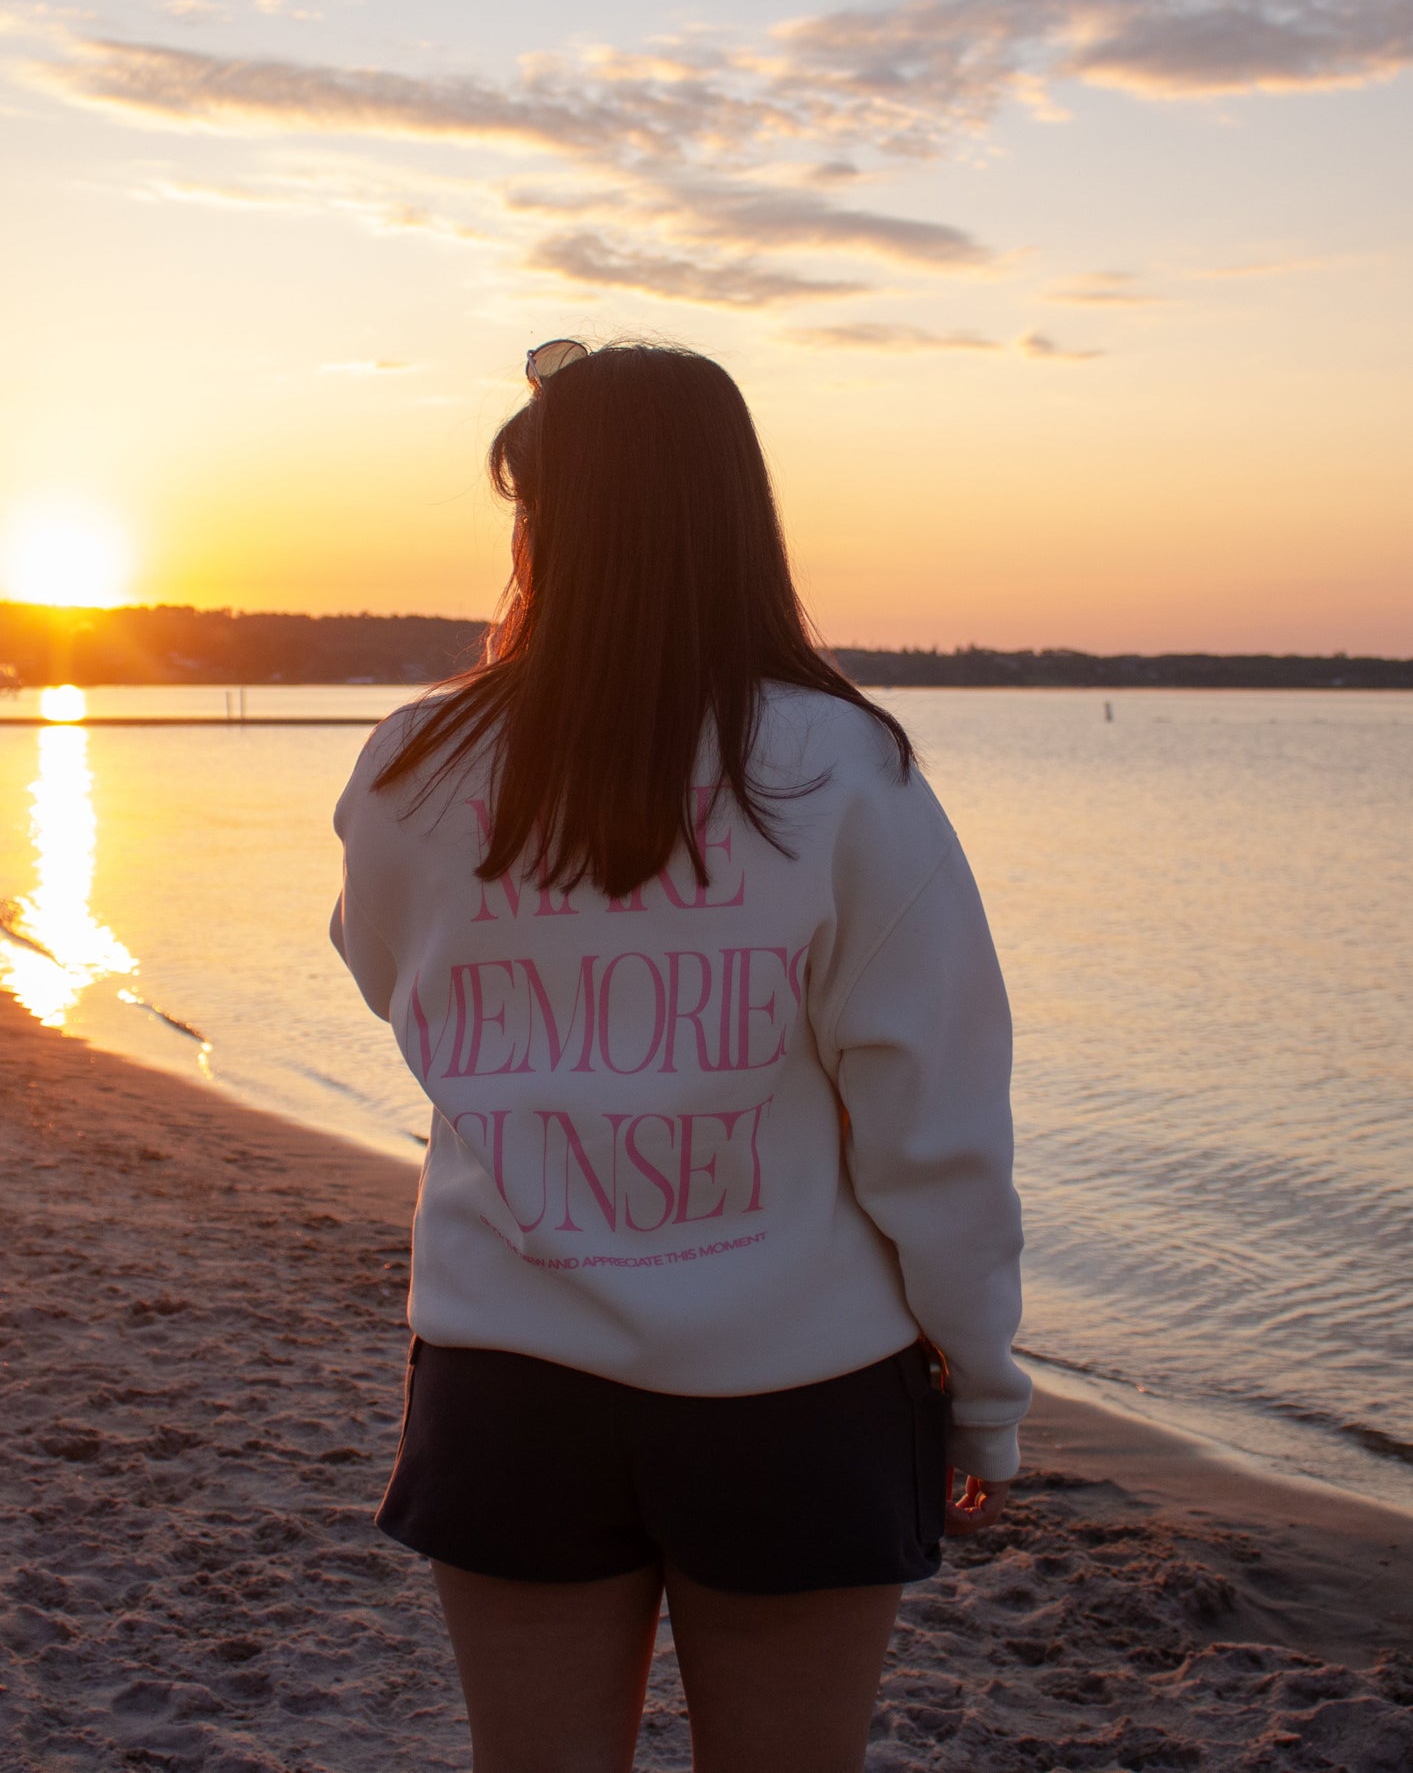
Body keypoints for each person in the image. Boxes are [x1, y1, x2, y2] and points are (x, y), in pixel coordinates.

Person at [330, 339, 1031, 1773]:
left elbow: (393, 983)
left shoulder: (414, 763)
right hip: (799, 1386)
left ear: (539, 524)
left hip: (506, 1369)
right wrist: (987, 1393)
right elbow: (933, 1121)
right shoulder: (845, 768)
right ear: (736, 516)